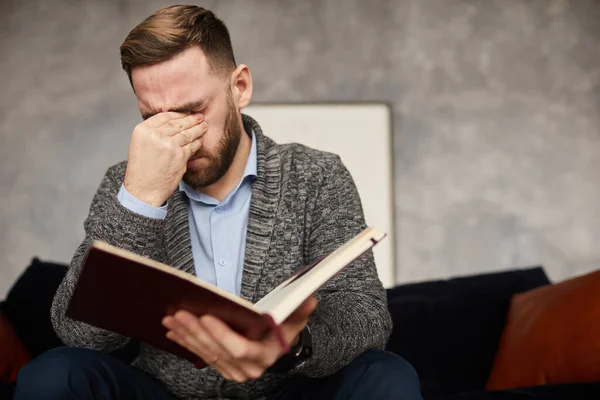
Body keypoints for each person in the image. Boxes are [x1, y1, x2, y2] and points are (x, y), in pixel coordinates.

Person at [15, 5, 422, 400]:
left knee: (387, 375)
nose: (178, 138)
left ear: (239, 87)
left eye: (193, 111)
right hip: (164, 392)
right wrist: (140, 200)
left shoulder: (317, 175)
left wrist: (291, 345)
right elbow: (80, 334)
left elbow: (365, 316)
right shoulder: (126, 184)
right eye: (153, 118)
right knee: (54, 373)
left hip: (286, 390)